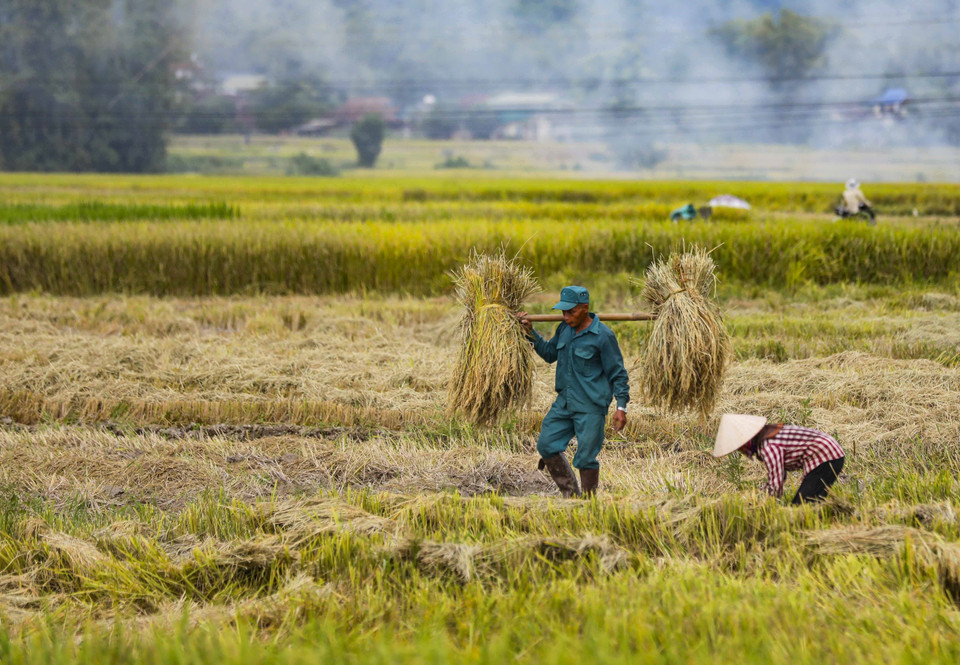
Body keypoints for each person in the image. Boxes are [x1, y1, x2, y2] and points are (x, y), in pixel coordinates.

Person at [517, 286, 629, 498]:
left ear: (585, 308)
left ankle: (587, 505)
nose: (566, 317)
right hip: (565, 403)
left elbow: (618, 374)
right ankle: (571, 496)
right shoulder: (564, 329)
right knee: (547, 444)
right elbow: (550, 354)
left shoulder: (603, 336)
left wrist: (621, 407)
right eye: (563, 312)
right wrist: (530, 333)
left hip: (591, 407)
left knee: (586, 457)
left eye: (571, 312)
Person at [712, 414, 845, 504]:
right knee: (813, 501)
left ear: (747, 442)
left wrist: (764, 503)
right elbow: (779, 476)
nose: (741, 451)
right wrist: (760, 492)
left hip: (825, 456)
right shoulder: (767, 436)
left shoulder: (768, 446)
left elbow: (776, 482)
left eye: (740, 447)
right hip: (830, 454)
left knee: (802, 505)